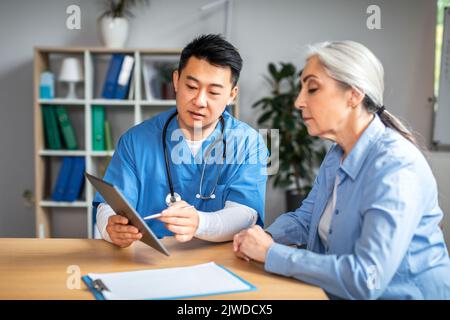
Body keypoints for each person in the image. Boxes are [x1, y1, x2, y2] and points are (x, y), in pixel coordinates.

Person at [233, 41, 450, 299]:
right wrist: (262, 237)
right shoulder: (337, 155)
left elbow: (366, 278)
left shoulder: (397, 166)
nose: (298, 102)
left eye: (312, 88)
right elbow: (305, 220)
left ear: (354, 95)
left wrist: (270, 253)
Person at [94, 34, 267, 248]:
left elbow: (245, 213)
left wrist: (200, 223)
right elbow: (109, 205)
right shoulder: (135, 141)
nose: (200, 101)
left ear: (232, 95)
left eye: (213, 92)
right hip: (148, 259)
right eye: (192, 87)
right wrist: (110, 228)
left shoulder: (248, 143)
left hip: (219, 262)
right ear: (176, 81)